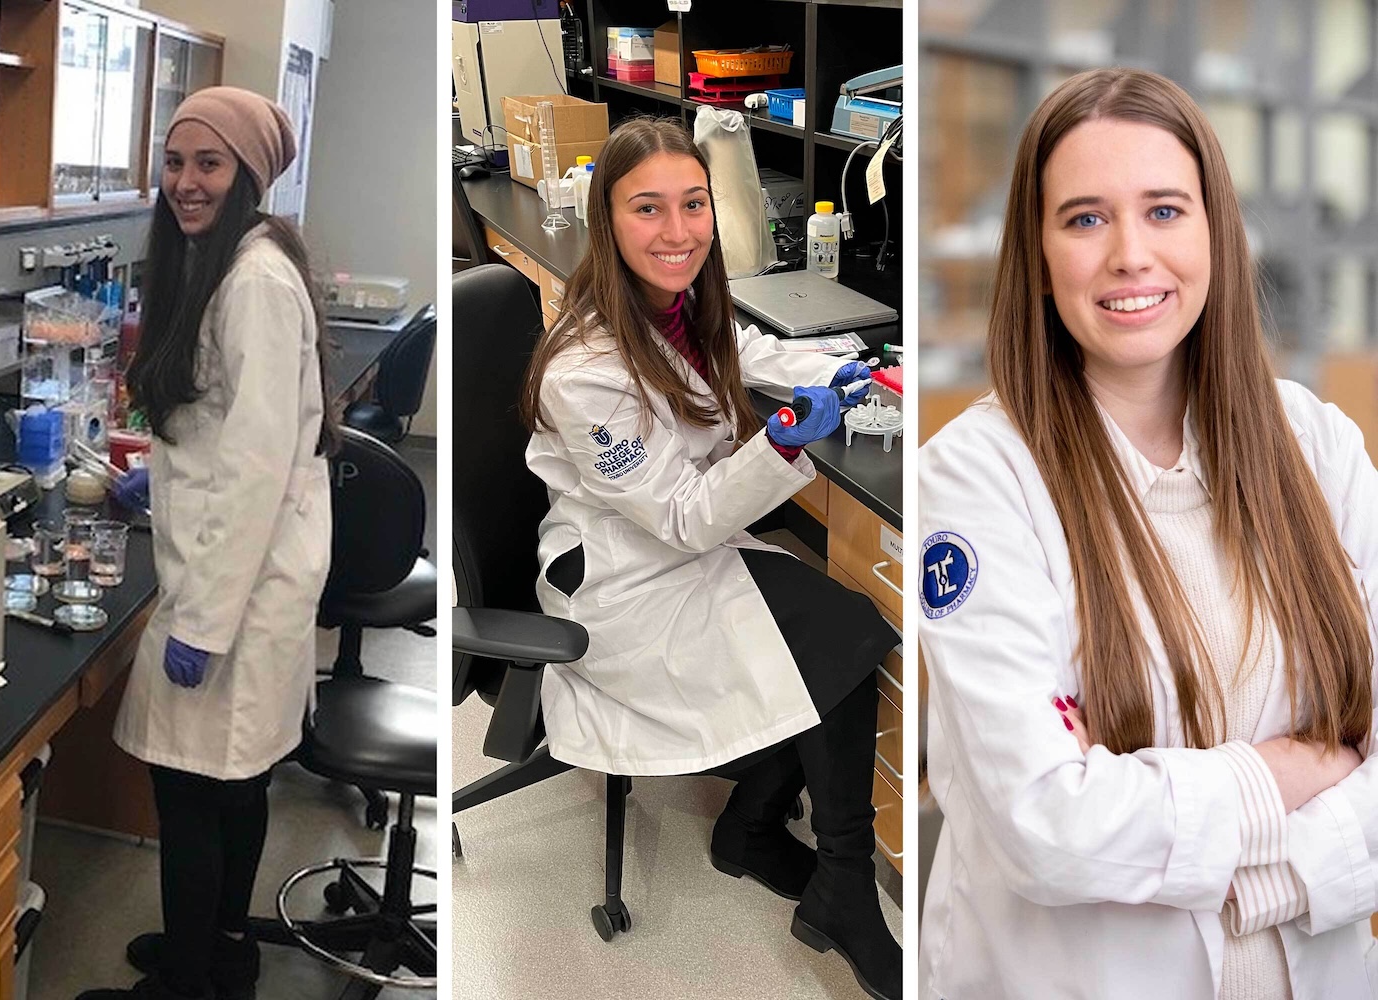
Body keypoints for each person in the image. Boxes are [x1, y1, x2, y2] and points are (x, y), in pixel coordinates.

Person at [918, 68, 1376, 1000]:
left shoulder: (1318, 444)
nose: (1131, 253)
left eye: (1165, 210)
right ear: (1039, 253)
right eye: (1085, 219)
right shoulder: (976, 480)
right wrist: (1294, 766)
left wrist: (1270, 874)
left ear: (1215, 231)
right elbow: (1048, 825)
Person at [517, 117, 903, 1000]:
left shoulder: (679, 307)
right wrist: (780, 442)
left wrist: (856, 365)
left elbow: (750, 351)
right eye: (647, 208)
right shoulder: (585, 367)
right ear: (606, 220)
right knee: (843, 646)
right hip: (622, 587)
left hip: (677, 552)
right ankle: (843, 888)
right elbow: (686, 519)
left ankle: (752, 831)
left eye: (694, 203)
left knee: (827, 631)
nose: (679, 230)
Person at [79, 87, 337, 1000]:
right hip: (247, 553)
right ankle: (223, 947)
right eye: (176, 161)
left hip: (243, 575)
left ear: (248, 175)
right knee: (235, 783)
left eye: (209, 164)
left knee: (192, 787)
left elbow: (259, 465)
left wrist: (205, 623)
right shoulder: (218, 259)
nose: (186, 182)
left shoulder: (255, 278)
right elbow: (231, 421)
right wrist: (168, 460)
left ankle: (189, 982)